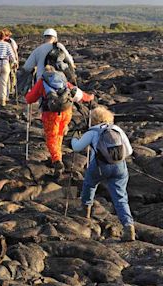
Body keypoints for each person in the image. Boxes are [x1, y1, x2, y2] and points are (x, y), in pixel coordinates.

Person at [71, 106, 135, 242]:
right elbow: (129, 151)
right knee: (120, 198)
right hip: (119, 167)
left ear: (93, 120)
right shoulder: (117, 129)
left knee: (89, 184)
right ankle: (129, 227)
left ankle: (86, 212)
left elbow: (76, 147)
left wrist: (74, 137)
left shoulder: (93, 132)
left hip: (99, 166)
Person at [25, 65, 94, 176]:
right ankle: (58, 155)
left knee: (51, 137)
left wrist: (28, 94)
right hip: (66, 112)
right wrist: (89, 97)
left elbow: (30, 99)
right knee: (59, 134)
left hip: (50, 114)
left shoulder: (42, 82)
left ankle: (57, 161)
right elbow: (78, 95)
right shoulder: (62, 80)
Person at [2, 28, 19, 97]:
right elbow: (15, 52)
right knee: (9, 76)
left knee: (11, 75)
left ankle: (11, 90)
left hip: (9, 61)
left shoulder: (11, 41)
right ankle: (8, 91)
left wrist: (16, 60)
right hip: (7, 60)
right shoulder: (10, 41)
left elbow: (15, 51)